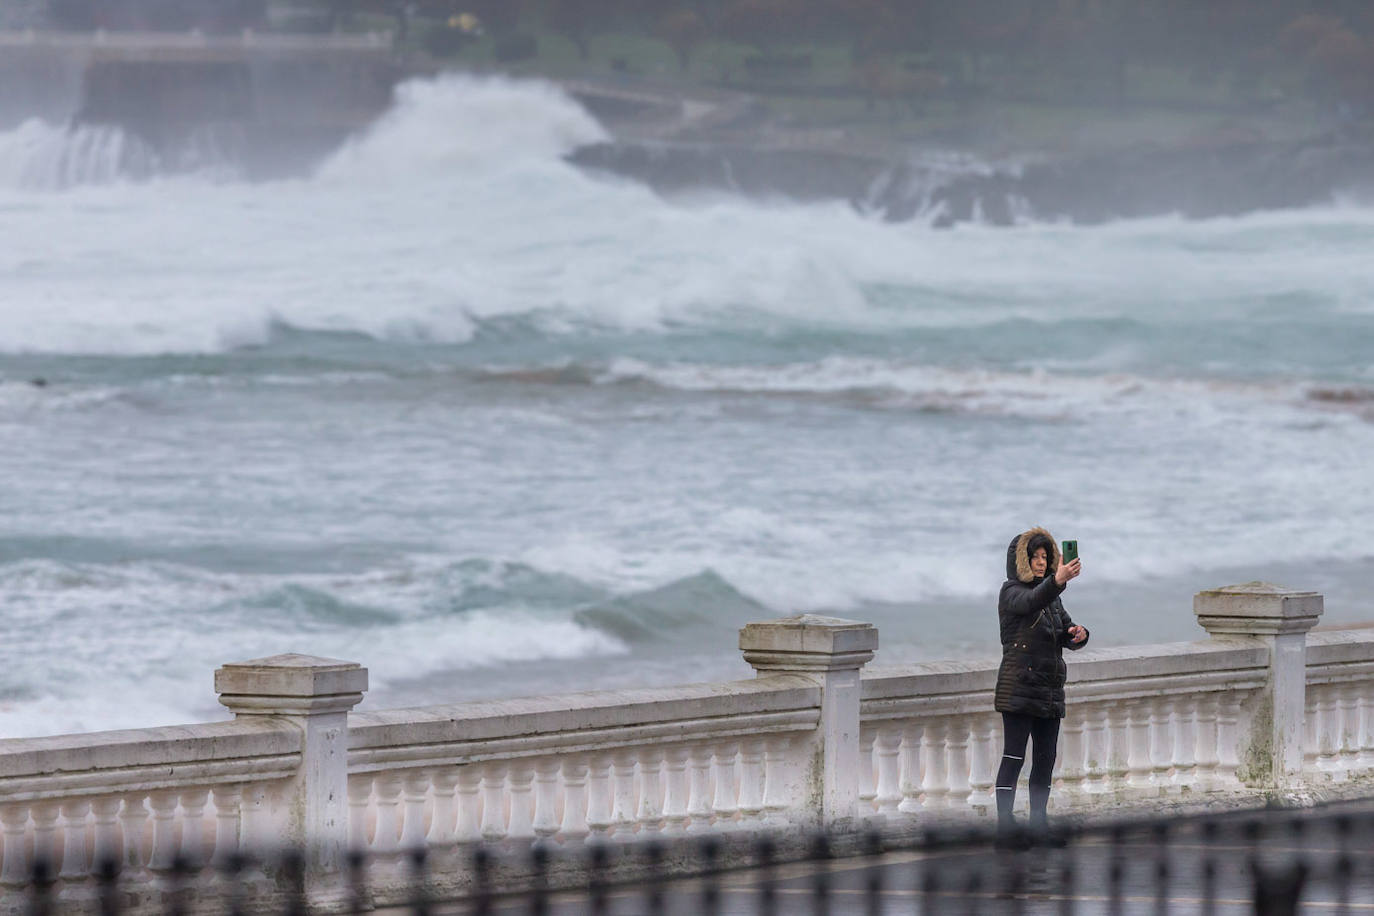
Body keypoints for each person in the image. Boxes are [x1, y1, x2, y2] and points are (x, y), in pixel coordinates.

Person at [993, 526, 1088, 849]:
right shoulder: (1011, 592)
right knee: (1014, 757)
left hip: (1048, 690)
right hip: (1019, 688)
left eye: (1045, 557)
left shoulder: (1052, 598)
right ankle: (1005, 828)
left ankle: (1038, 825)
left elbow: (1062, 631)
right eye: (1034, 557)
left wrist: (1078, 634)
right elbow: (1032, 600)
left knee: (1045, 758)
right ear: (1021, 560)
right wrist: (1057, 581)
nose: (1040, 562)